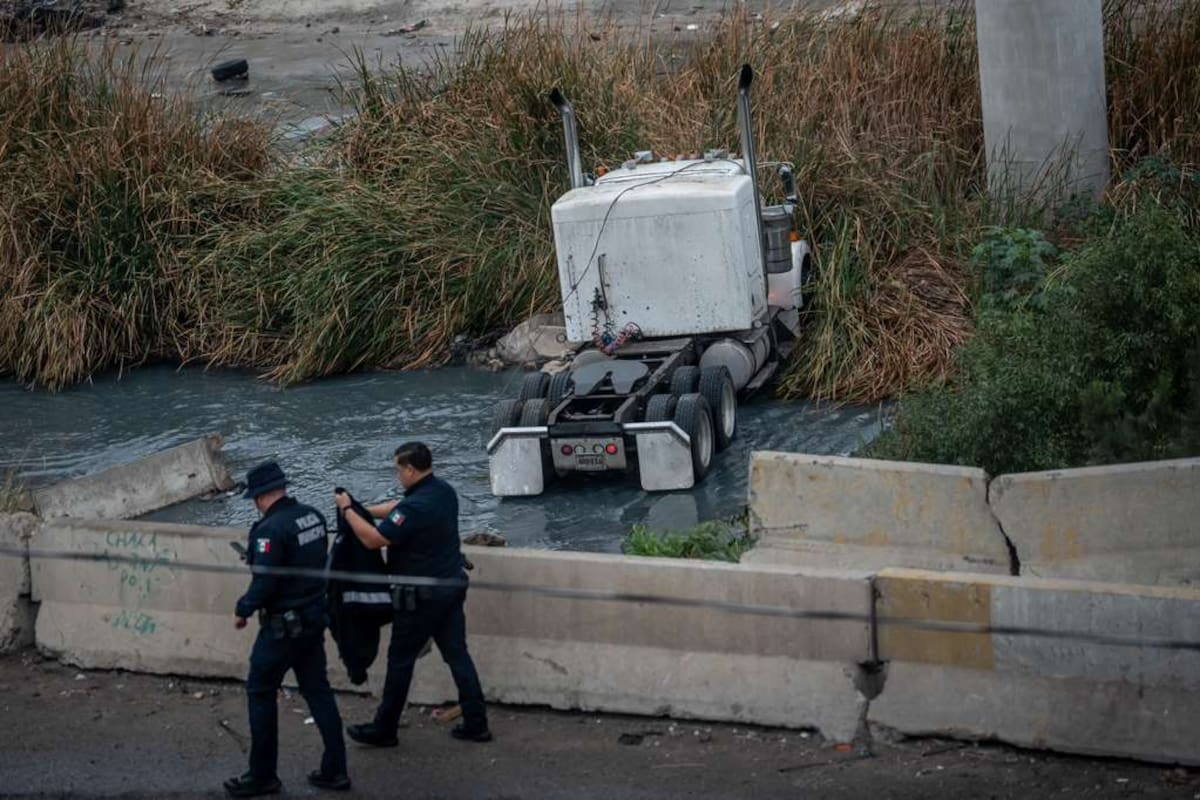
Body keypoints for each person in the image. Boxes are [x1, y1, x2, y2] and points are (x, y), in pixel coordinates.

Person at [335, 441, 491, 747]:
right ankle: (477, 723)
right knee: (457, 655)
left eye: (398, 469)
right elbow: (397, 509)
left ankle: (385, 728)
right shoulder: (442, 491)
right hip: (450, 589)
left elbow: (374, 540)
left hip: (422, 598)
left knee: (400, 660)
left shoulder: (417, 507)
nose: (397, 476)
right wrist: (363, 510)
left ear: (410, 468)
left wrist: (347, 511)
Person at [225, 461, 351, 798]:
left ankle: (262, 775)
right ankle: (335, 769)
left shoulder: (269, 530)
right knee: (319, 693)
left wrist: (243, 609)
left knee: (260, 693)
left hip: (281, 629)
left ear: (261, 496)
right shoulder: (313, 516)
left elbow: (266, 580)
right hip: (312, 620)